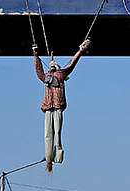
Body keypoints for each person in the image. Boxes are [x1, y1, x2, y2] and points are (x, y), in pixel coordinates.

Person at [33, 39, 91, 172]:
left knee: (57, 132)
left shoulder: (61, 74)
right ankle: (49, 158)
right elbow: (38, 69)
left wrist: (80, 51)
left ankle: (57, 156)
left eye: (55, 65)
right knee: (48, 134)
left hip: (58, 107)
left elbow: (72, 63)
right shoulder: (46, 76)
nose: (52, 66)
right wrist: (36, 55)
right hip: (48, 107)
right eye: (51, 65)